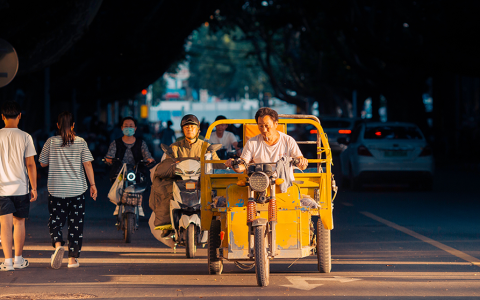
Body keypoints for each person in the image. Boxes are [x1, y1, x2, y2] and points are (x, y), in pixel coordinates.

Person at [39, 112, 97, 269]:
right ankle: (72, 259)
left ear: (57, 125)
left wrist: (55, 157)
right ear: (73, 125)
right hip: (77, 190)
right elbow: (88, 164)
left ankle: (58, 245)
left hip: (56, 190)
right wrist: (92, 185)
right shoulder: (80, 142)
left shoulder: (50, 142)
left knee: (56, 220)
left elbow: (42, 163)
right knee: (75, 224)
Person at [151, 114, 221, 232]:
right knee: (160, 187)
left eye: (192, 127)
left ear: (198, 130)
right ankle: (167, 222)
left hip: (201, 183)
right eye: (186, 127)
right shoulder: (174, 148)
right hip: (180, 183)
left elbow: (217, 164)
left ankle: (217, 227)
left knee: (217, 197)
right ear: (183, 130)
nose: (189, 129)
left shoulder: (206, 147)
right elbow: (165, 166)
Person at [0, 101, 37, 271]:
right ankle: (19, 259)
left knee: (5, 225)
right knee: (19, 223)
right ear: (19, 116)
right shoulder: (25, 136)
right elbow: (30, 164)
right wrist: (34, 187)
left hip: (2, 188)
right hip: (21, 187)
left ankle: (7, 262)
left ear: (2, 117)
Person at [225, 107, 308, 176]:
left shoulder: (288, 141)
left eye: (267, 126)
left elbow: (301, 165)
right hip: (259, 184)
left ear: (276, 124)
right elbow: (243, 165)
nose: (264, 130)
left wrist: (302, 162)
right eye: (260, 126)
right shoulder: (252, 142)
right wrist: (233, 164)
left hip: (283, 184)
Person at [105, 117, 155, 217]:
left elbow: (147, 155)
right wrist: (109, 159)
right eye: (126, 126)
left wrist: (149, 159)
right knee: (118, 186)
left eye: (131, 126)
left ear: (135, 128)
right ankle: (118, 205)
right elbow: (109, 155)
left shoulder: (141, 143)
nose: (128, 128)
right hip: (119, 172)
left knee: (140, 184)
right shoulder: (115, 143)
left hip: (136, 171)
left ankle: (139, 206)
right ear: (121, 128)